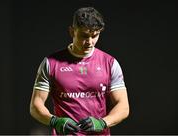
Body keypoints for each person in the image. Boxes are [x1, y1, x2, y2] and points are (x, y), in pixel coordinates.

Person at [30, 7, 129, 135]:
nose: (90, 42)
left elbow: (123, 106)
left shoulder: (110, 63)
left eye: (95, 35)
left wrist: (102, 122)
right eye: (84, 36)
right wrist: (54, 121)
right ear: (72, 31)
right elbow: (35, 105)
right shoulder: (51, 63)